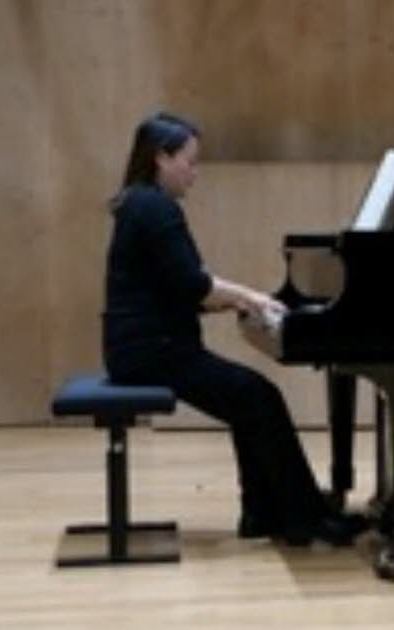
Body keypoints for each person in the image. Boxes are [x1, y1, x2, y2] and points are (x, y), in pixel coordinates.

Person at [102, 112, 366, 546]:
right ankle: (302, 517)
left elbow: (174, 287)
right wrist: (251, 297)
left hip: (143, 346)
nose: (195, 173)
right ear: (161, 158)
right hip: (153, 352)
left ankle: (263, 512)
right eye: (189, 161)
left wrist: (235, 301)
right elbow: (194, 285)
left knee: (249, 399)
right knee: (258, 396)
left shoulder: (140, 202)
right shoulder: (154, 207)